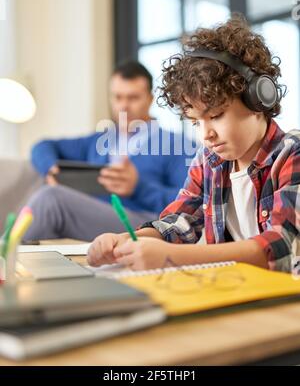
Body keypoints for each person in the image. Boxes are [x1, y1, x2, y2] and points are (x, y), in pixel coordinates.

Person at [87, 15, 300, 273]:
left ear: (258, 101)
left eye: (215, 116)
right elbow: (179, 222)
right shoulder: (209, 160)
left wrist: (174, 257)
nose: (205, 134)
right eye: (196, 122)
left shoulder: (291, 154)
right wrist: (125, 240)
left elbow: (282, 245)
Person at [24, 61, 195, 241]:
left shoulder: (177, 145)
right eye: (117, 97)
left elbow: (190, 206)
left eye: (133, 98)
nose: (123, 106)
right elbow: (42, 146)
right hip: (92, 218)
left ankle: (7, 259)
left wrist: (138, 188)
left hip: (145, 225)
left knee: (52, 200)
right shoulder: (100, 140)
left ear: (150, 99)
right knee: (49, 196)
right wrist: (50, 168)